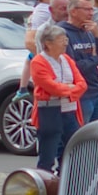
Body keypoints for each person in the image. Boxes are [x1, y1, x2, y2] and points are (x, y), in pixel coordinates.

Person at [30, 24, 86, 172]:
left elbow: (82, 84)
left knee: (72, 150)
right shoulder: (38, 61)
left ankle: (66, 181)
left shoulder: (67, 59)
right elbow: (50, 86)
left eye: (65, 39)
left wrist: (67, 90)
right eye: (61, 39)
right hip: (50, 111)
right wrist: (70, 89)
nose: (65, 43)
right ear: (48, 43)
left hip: (70, 110)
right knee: (48, 153)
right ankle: (45, 184)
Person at [59, 0, 98, 122]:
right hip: (81, 94)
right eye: (87, 10)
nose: (91, 13)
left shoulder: (90, 31)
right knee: (83, 134)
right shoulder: (62, 32)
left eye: (92, 10)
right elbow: (74, 67)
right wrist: (95, 59)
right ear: (73, 11)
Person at [13, 0, 62, 103]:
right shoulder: (45, 10)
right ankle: (23, 88)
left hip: (39, 42)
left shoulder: (37, 9)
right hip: (43, 42)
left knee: (28, 61)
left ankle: (22, 88)